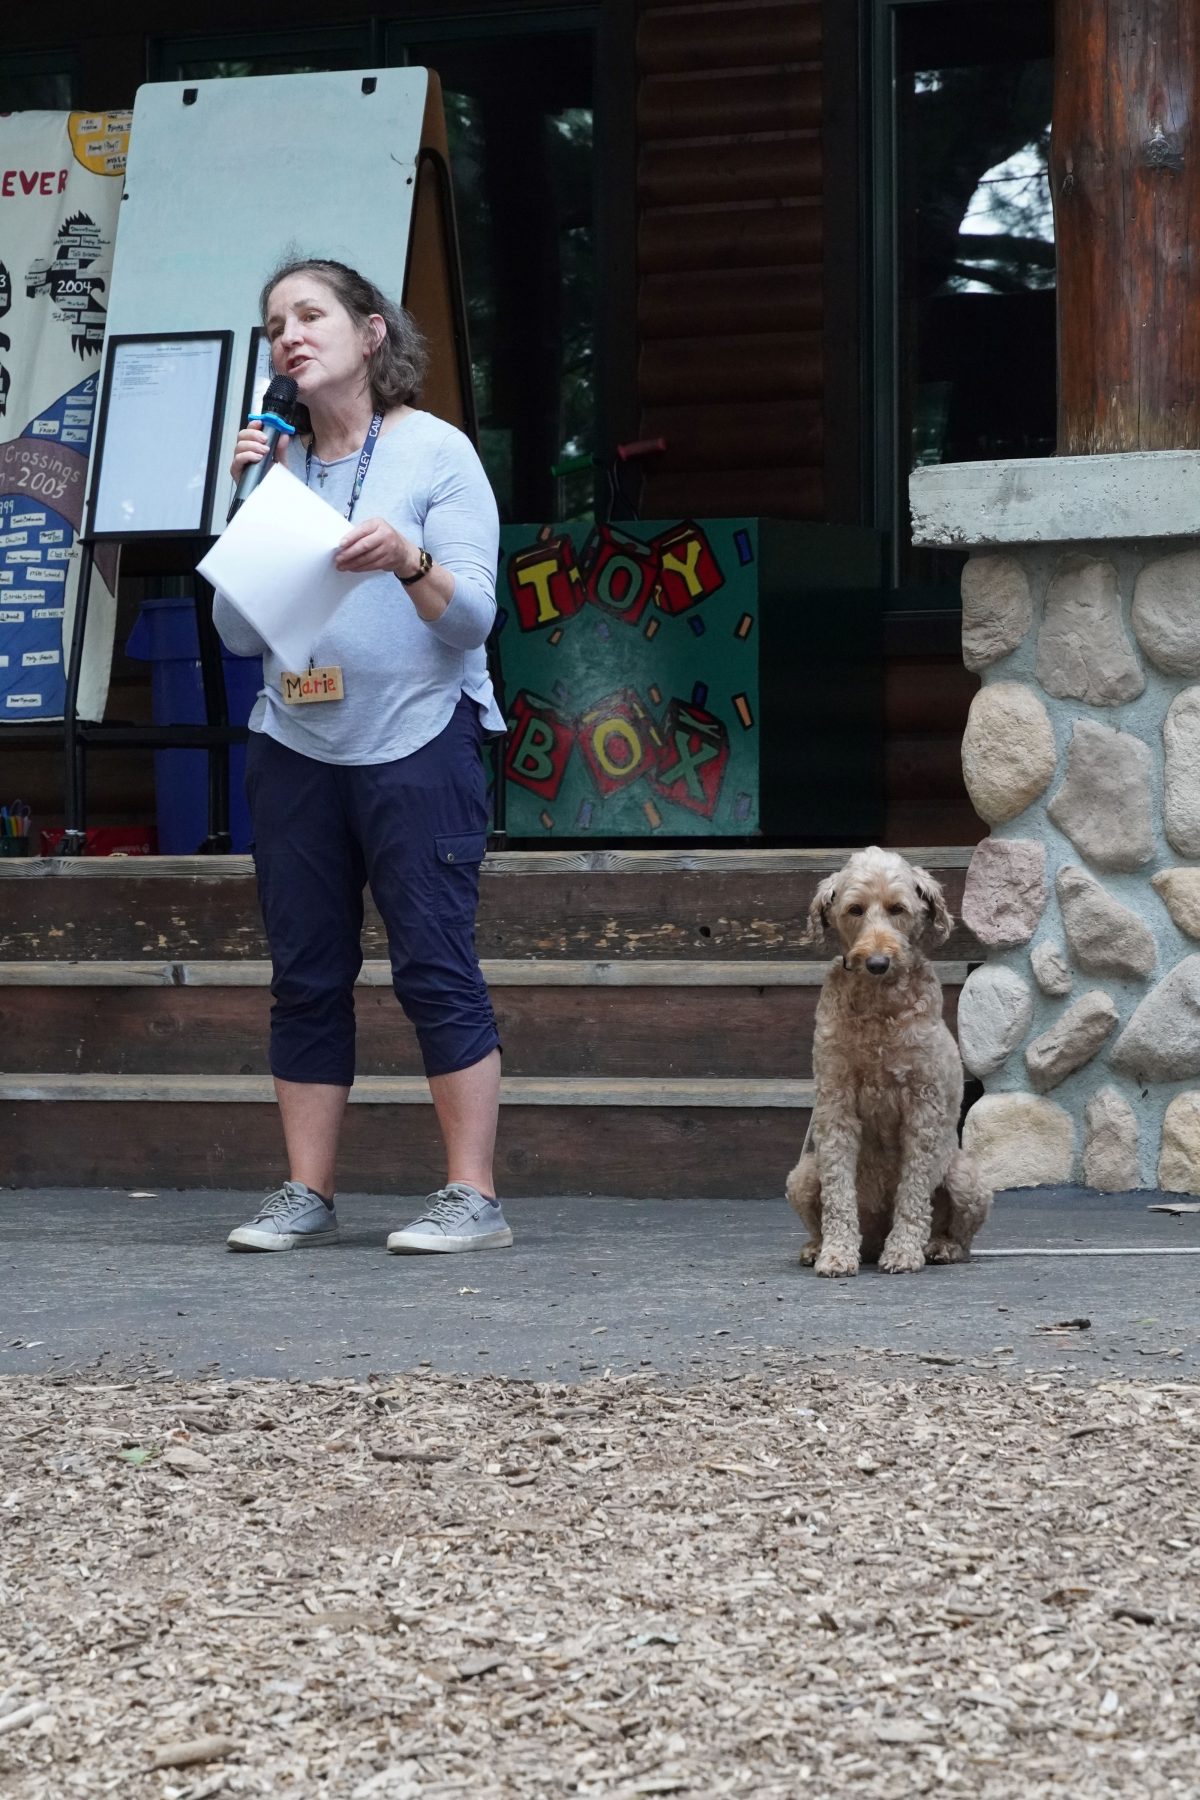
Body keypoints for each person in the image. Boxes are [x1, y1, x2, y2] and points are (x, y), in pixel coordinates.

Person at [213, 257, 511, 1256]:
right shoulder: (278, 463)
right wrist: (254, 498)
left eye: (311, 315)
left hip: (418, 740)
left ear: (371, 331)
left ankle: (473, 1197)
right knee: (305, 972)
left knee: (434, 965)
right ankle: (307, 1191)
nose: (290, 335)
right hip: (295, 744)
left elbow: (473, 620)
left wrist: (409, 560)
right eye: (276, 325)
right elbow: (238, 635)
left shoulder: (436, 454)